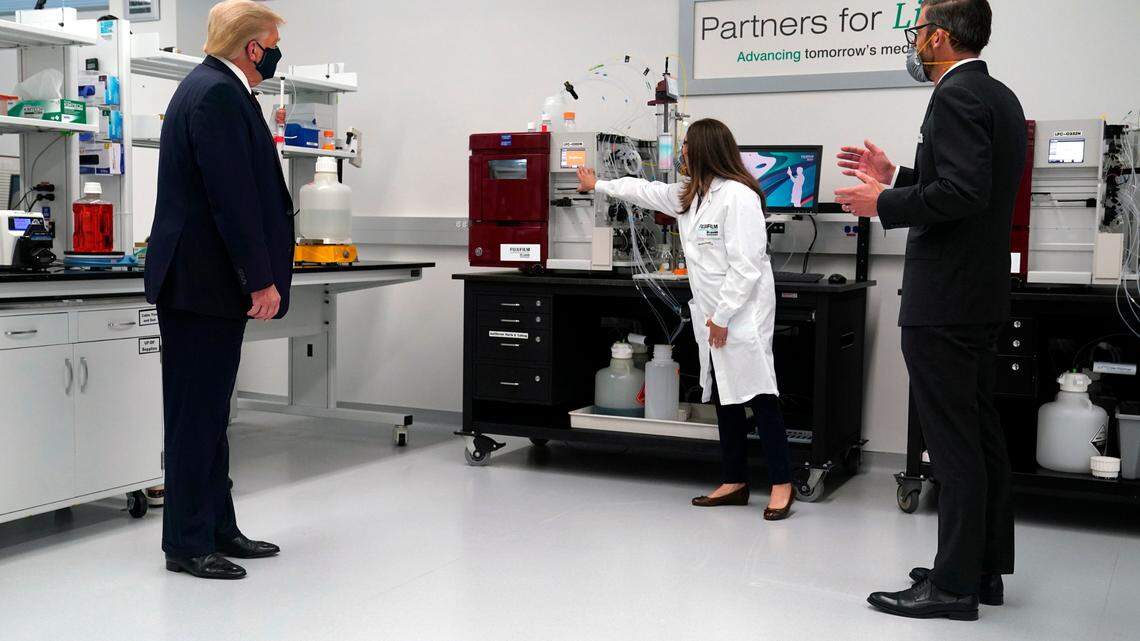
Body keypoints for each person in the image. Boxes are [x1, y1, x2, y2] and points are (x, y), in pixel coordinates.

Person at [834, 0, 1025, 621]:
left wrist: (883, 201)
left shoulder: (954, 96)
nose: (914, 41)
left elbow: (964, 193)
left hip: (945, 297)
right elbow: (971, 183)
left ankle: (951, 586)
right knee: (980, 433)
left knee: (954, 443)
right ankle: (981, 567)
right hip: (978, 293)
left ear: (939, 35)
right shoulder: (998, 95)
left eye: (917, 30)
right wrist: (900, 174)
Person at [144, 0, 294, 580]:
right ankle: (185, 543)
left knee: (210, 414)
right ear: (252, 47)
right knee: (195, 417)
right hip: (201, 284)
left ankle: (217, 526)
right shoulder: (215, 94)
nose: (277, 52)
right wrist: (259, 279)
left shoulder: (219, 90)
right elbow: (231, 199)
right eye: (273, 41)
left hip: (204, 282)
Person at [577, 119, 794, 520]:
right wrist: (599, 185)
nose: (682, 154)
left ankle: (782, 484)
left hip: (741, 314)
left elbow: (746, 267)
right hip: (713, 314)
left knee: (761, 396)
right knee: (725, 397)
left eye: (686, 146)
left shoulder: (739, 197)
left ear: (704, 150)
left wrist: (725, 316)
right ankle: (735, 481)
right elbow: (642, 190)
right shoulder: (688, 195)